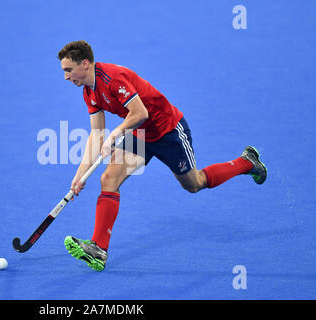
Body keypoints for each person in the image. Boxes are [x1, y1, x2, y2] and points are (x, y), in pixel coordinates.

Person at [57, 40, 267, 271]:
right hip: (140, 133)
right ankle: (99, 248)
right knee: (108, 179)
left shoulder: (113, 79)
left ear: (85, 64)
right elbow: (96, 134)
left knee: (194, 184)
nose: (66, 77)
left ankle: (246, 162)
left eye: (68, 70)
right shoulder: (89, 92)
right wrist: (80, 176)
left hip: (168, 131)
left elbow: (140, 112)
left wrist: (115, 134)